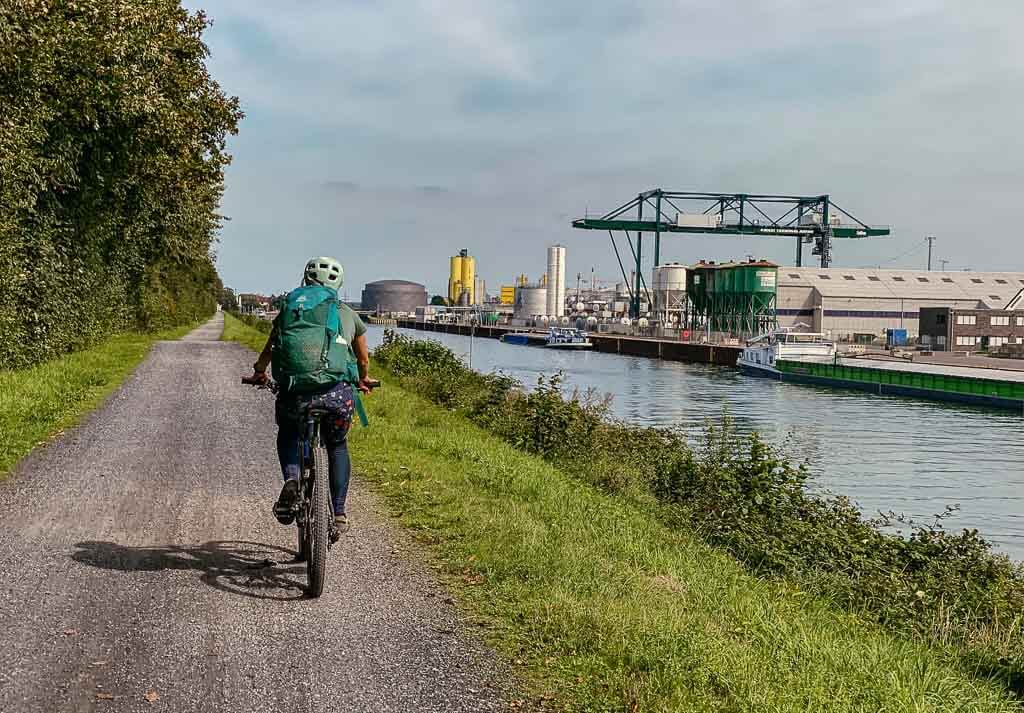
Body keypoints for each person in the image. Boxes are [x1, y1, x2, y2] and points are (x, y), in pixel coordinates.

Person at [249, 256, 373, 536]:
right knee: (338, 445)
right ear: (338, 284)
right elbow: (363, 359)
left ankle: (292, 479)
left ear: (305, 280)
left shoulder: (291, 311)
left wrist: (259, 371)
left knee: (289, 434)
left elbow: (270, 349)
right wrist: (363, 379)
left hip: (295, 396)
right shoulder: (348, 314)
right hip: (336, 396)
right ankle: (339, 512)